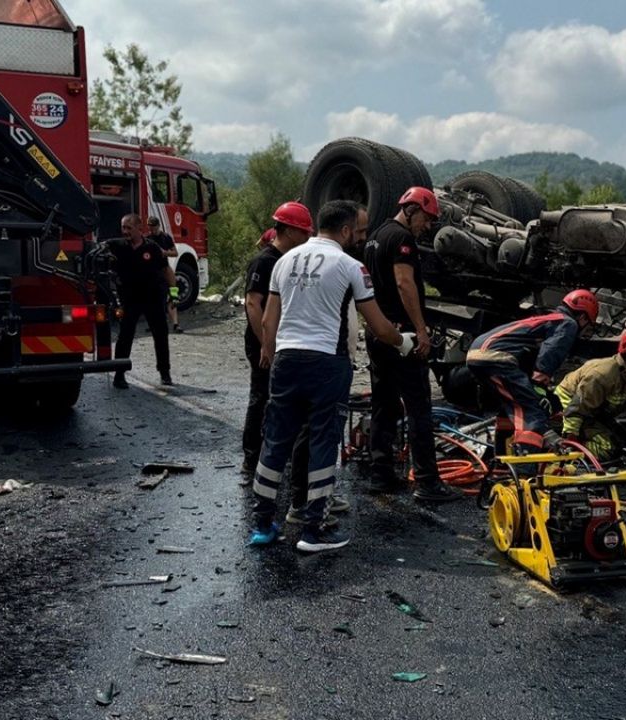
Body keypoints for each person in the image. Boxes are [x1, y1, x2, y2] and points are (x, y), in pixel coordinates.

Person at [251, 200, 415, 553]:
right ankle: (313, 529)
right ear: (343, 230)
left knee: (276, 440)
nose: (358, 237)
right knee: (323, 440)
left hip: (286, 358)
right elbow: (377, 324)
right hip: (327, 362)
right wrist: (403, 341)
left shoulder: (283, 261)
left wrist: (273, 351)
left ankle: (263, 524)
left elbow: (267, 320)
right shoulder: (350, 266)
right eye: (355, 230)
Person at [363, 187, 460, 501]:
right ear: (411, 209)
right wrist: (421, 330)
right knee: (419, 407)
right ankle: (428, 483)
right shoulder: (402, 240)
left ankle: (382, 474)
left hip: (378, 332)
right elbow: (405, 284)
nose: (427, 226)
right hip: (402, 336)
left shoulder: (376, 236)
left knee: (384, 404)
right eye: (426, 219)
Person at [467, 290, 599, 453]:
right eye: (588, 326)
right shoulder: (568, 323)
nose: (585, 332)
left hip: (478, 353)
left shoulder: (550, 318)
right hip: (497, 357)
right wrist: (539, 386)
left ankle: (501, 462)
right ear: (583, 317)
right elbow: (551, 352)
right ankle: (525, 471)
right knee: (532, 411)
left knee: (512, 409)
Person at [241, 203, 313, 475]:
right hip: (264, 342)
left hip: (283, 341)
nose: (307, 238)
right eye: (304, 232)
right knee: (261, 397)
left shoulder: (290, 261)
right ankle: (252, 457)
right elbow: (252, 304)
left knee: (284, 399)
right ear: (291, 231)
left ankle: (278, 453)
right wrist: (266, 344)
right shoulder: (265, 261)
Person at [555, 329, 626, 461]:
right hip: (569, 410)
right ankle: (558, 445)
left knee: (625, 442)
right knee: (607, 449)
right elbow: (576, 410)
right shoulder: (602, 375)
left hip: (594, 412)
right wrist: (571, 440)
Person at [108, 214, 171, 387]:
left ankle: (165, 373)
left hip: (152, 297)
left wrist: (173, 294)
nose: (125, 231)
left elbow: (166, 270)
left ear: (139, 228)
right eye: (123, 227)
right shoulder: (116, 246)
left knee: (160, 334)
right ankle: (119, 375)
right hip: (130, 299)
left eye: (129, 228)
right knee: (125, 336)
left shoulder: (153, 248)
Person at [146, 217, 183, 333]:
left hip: (165, 270)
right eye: (149, 227)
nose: (151, 229)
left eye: (153, 227)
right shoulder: (147, 239)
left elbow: (175, 253)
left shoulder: (166, 237)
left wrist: (164, 252)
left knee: (174, 296)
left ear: (158, 226)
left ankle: (176, 324)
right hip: (153, 272)